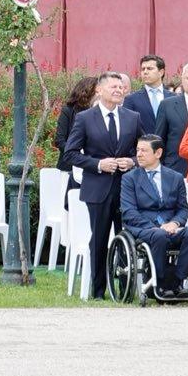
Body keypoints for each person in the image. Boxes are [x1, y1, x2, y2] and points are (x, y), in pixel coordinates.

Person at [61, 72, 142, 299]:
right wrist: (98, 164)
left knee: (128, 236)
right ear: (99, 90)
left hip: (127, 189)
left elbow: (144, 151)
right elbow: (70, 154)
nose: (119, 90)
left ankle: (126, 289)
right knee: (98, 239)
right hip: (98, 187)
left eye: (121, 87)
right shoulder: (85, 118)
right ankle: (98, 291)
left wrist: (132, 161)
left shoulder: (132, 117)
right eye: (113, 86)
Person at [120, 134, 188, 297]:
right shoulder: (130, 179)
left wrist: (175, 224)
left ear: (158, 153)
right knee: (159, 235)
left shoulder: (175, 177)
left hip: (171, 227)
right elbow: (128, 212)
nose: (139, 154)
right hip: (144, 228)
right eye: (137, 150)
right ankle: (160, 283)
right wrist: (157, 227)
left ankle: (177, 281)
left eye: (144, 151)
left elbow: (183, 209)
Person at [124, 54, 171, 128]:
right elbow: (127, 127)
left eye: (149, 68)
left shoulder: (174, 98)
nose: (145, 72)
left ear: (161, 72)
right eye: (143, 69)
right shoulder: (131, 99)